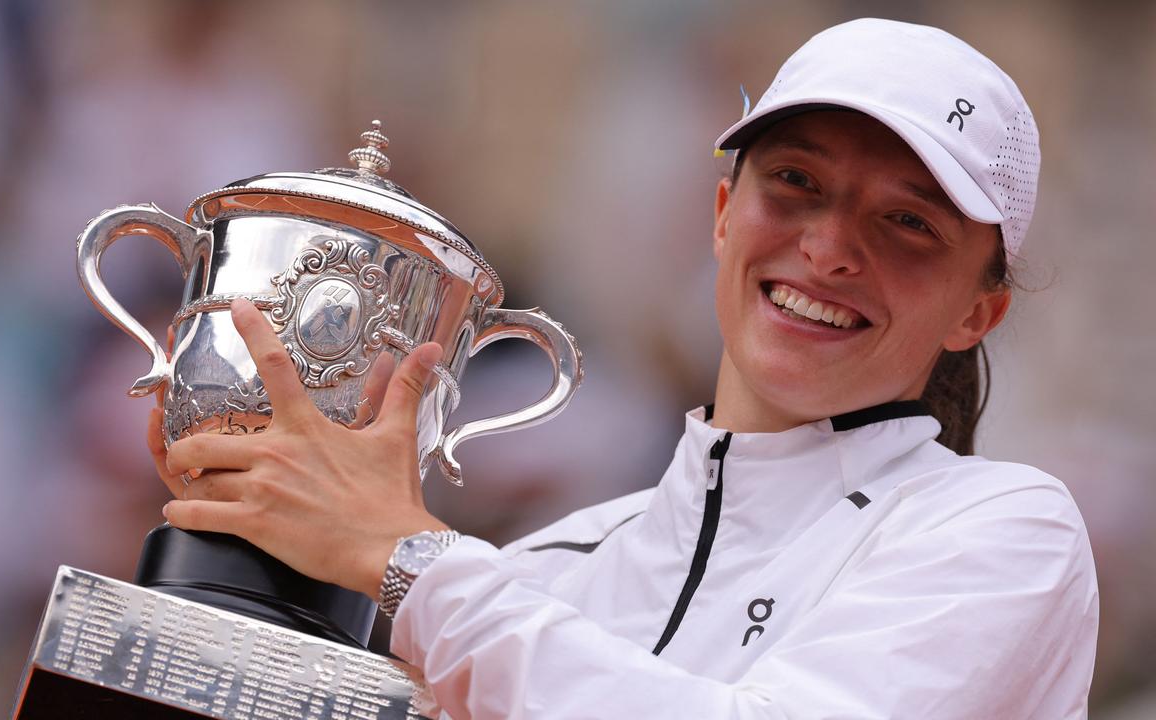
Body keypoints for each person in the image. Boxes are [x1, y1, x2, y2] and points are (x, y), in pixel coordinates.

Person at [150, 19, 1098, 719]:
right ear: (724, 213)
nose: (829, 248)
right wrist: (262, 552)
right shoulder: (545, 571)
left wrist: (407, 561)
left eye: (909, 222)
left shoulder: (1006, 532)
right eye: (797, 183)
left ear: (981, 311)